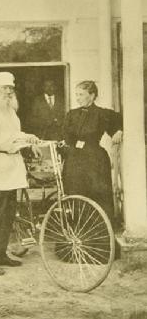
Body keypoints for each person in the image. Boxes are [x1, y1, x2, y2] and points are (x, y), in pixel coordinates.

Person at [0, 71, 40, 276]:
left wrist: (28, 137)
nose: (8, 91)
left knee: (8, 214)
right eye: (4, 88)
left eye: (10, 88)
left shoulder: (10, 112)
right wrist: (17, 141)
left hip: (11, 169)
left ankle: (0, 253)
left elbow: (15, 133)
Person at [62, 80, 123, 223]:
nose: (77, 98)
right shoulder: (71, 114)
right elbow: (66, 136)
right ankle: (79, 233)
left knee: (97, 194)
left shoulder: (102, 114)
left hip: (95, 160)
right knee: (76, 194)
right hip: (74, 160)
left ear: (92, 95)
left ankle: (100, 233)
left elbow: (120, 120)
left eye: (81, 94)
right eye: (76, 94)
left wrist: (119, 130)